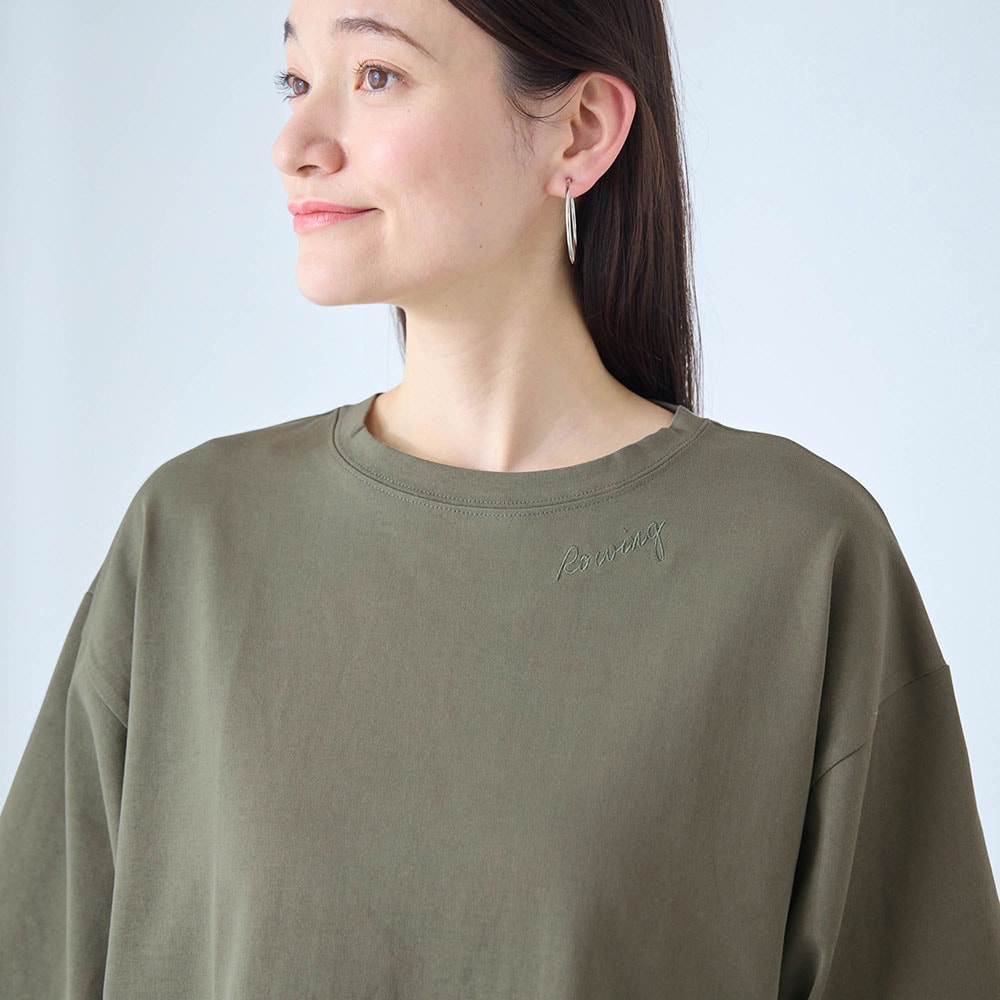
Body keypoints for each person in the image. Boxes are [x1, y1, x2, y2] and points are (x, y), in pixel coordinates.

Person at [1, 0, 998, 995]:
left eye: (376, 75)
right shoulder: (193, 539)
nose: (294, 145)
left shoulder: (797, 557)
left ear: (581, 130)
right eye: (296, 81)